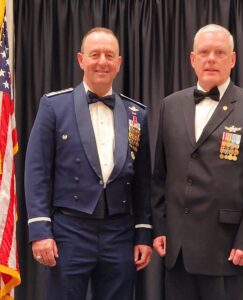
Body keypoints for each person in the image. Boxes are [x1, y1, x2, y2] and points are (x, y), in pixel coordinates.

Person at [151, 24, 243, 300]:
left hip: (229, 251)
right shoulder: (170, 106)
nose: (211, 58)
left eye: (219, 52)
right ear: (192, 59)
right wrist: (160, 228)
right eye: (204, 52)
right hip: (178, 252)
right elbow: (161, 176)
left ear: (232, 59)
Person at [24, 27, 152, 300]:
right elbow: (37, 172)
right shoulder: (54, 106)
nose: (102, 61)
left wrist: (143, 233)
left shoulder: (136, 114)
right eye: (95, 54)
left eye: (109, 55)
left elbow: (142, 180)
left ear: (119, 63)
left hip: (119, 233)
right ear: (81, 60)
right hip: (69, 231)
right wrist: (39, 230)